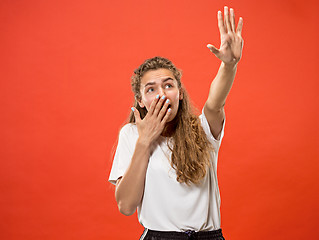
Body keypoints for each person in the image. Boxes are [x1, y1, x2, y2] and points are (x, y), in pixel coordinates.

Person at [109, 6, 243, 240]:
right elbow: (126, 206)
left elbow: (214, 104)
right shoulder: (131, 134)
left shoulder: (202, 129)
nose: (161, 94)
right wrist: (144, 142)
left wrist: (229, 65)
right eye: (151, 89)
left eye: (168, 85)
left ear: (179, 93)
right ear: (140, 101)